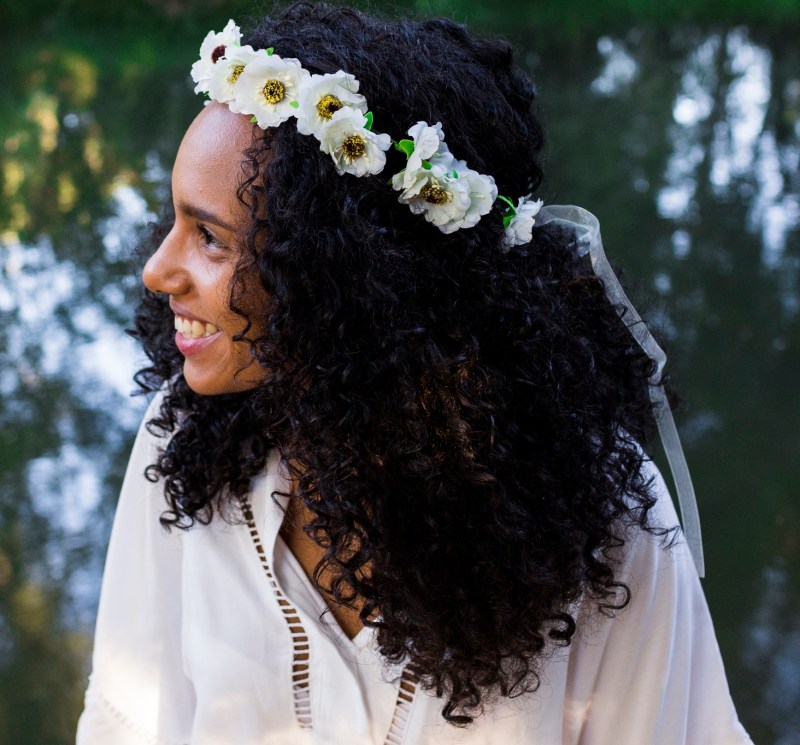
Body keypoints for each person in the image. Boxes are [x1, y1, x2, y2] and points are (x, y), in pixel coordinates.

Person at [76, 4, 754, 743]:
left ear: (346, 270)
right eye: (173, 220)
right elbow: (126, 723)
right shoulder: (187, 441)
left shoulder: (604, 527)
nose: (156, 269)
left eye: (209, 237)